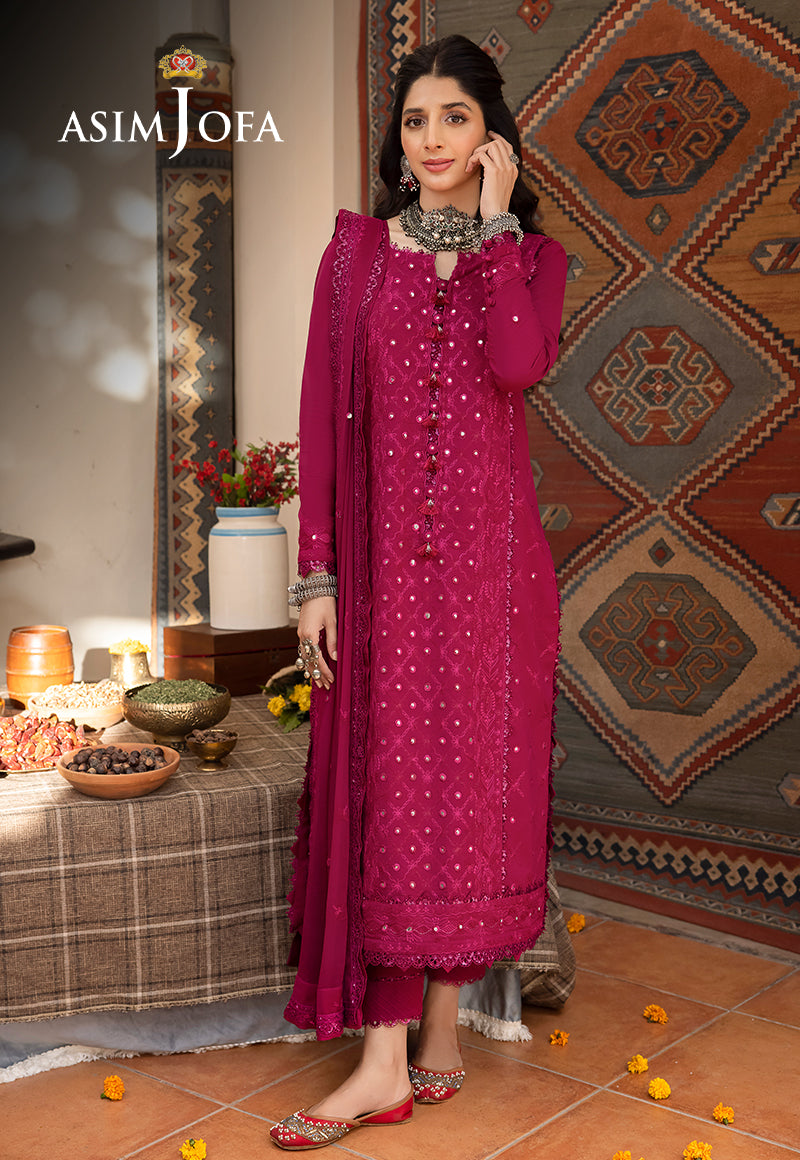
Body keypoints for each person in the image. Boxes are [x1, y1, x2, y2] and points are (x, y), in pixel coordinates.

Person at [270, 33, 567, 1151]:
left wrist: (491, 232)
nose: (432, 140)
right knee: (398, 798)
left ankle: (441, 1023)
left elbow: (517, 365)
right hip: (383, 581)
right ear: (395, 141)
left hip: (494, 584)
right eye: (414, 120)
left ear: (490, 136)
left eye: (454, 118)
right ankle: (383, 1063)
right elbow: (316, 416)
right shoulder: (354, 258)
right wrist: (315, 577)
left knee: (470, 798)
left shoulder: (529, 260)